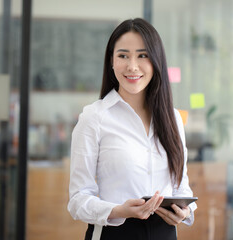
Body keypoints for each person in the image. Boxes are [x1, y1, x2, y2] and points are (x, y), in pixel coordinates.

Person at [68, 18, 197, 240]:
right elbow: (78, 200)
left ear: (156, 61)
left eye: (143, 55)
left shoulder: (173, 118)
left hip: (164, 234)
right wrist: (119, 211)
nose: (132, 66)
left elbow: (180, 188)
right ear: (111, 61)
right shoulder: (94, 117)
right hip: (114, 234)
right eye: (123, 55)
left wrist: (184, 212)